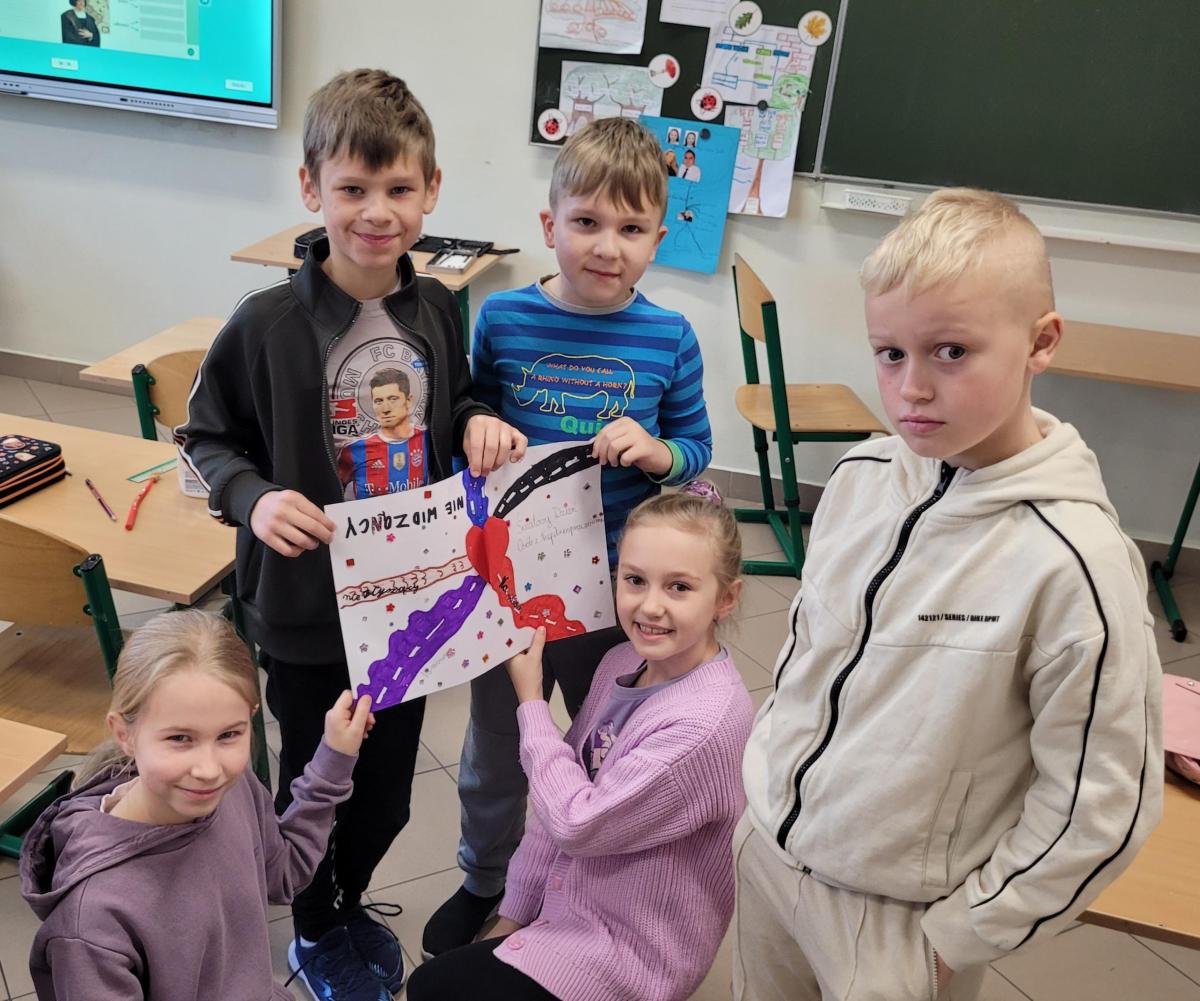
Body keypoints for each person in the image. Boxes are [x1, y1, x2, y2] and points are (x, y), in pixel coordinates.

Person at [735, 188, 1164, 1001]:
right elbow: (809, 649)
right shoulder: (861, 476)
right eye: (890, 353)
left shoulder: (1074, 562)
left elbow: (1099, 808)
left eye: (952, 351)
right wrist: (763, 791)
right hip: (770, 855)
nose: (912, 389)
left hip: (899, 924)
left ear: (1041, 342)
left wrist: (950, 943)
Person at [179, 69, 526, 1001]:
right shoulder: (266, 323)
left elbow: (453, 404)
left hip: (409, 608)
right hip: (306, 613)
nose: (377, 212)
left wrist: (477, 422)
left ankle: (345, 898)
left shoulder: (437, 307)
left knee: (386, 794)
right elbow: (204, 437)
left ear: (432, 191)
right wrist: (252, 496)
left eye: (399, 188)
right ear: (311, 189)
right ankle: (314, 924)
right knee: (318, 783)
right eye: (353, 188)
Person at [423, 116, 714, 957]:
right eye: (586, 222)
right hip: (509, 587)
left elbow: (695, 447)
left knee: (602, 740)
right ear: (550, 224)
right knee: (495, 745)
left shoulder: (669, 336)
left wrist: (658, 451)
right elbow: (467, 415)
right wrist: (475, 425)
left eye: (631, 229)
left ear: (658, 239)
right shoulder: (505, 317)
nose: (607, 247)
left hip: (615, 590)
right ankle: (485, 875)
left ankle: (577, 879)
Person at [408, 483, 754, 1000]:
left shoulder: (702, 727)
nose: (650, 606)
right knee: (435, 984)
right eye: (634, 580)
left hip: (628, 952)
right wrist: (513, 915)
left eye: (679, 587)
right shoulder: (621, 662)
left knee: (432, 990)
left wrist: (531, 703)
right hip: (571, 910)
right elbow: (553, 809)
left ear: (726, 598)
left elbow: (575, 822)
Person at [20, 610, 374, 1001]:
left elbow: (284, 873)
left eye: (229, 734)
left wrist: (333, 759)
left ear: (251, 718)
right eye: (180, 739)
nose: (209, 770)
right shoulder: (92, 922)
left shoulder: (232, 789)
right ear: (124, 734)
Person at [336, 367, 429, 499]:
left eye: (393, 399)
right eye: (379, 401)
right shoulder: (352, 449)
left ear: (408, 401)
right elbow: (332, 490)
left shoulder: (428, 437)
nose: (385, 409)